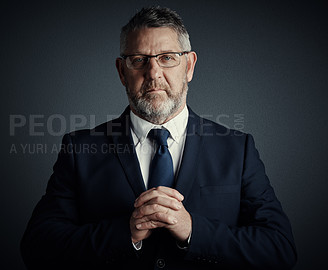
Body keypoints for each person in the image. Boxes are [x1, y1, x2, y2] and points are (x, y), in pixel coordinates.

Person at [20, 6, 297, 270]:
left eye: (167, 57)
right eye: (138, 60)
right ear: (121, 71)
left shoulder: (238, 149)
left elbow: (280, 250)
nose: (153, 73)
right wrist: (126, 232)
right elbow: (38, 249)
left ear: (188, 66)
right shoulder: (80, 150)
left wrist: (192, 230)